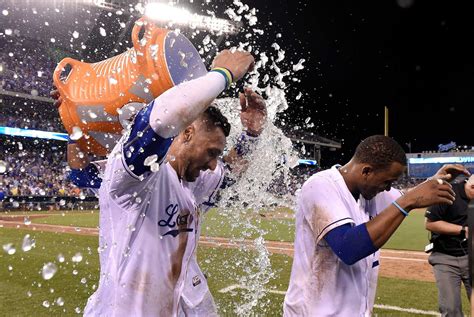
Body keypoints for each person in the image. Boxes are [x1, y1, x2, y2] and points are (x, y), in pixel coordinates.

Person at [54, 49, 267, 316]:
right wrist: (222, 75)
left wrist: (252, 134)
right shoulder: (139, 175)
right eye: (211, 152)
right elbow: (158, 119)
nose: (214, 164)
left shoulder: (194, 180)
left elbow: (230, 173)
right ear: (186, 132)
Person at [283, 135, 469, 316]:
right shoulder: (320, 185)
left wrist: (433, 181)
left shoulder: (370, 192)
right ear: (366, 171)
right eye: (387, 182)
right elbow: (348, 248)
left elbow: (407, 196)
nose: (388, 188)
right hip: (313, 311)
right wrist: (408, 202)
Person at [425, 174, 473, 316]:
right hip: (445, 258)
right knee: (450, 309)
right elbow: (430, 223)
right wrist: (463, 230)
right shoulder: (447, 192)